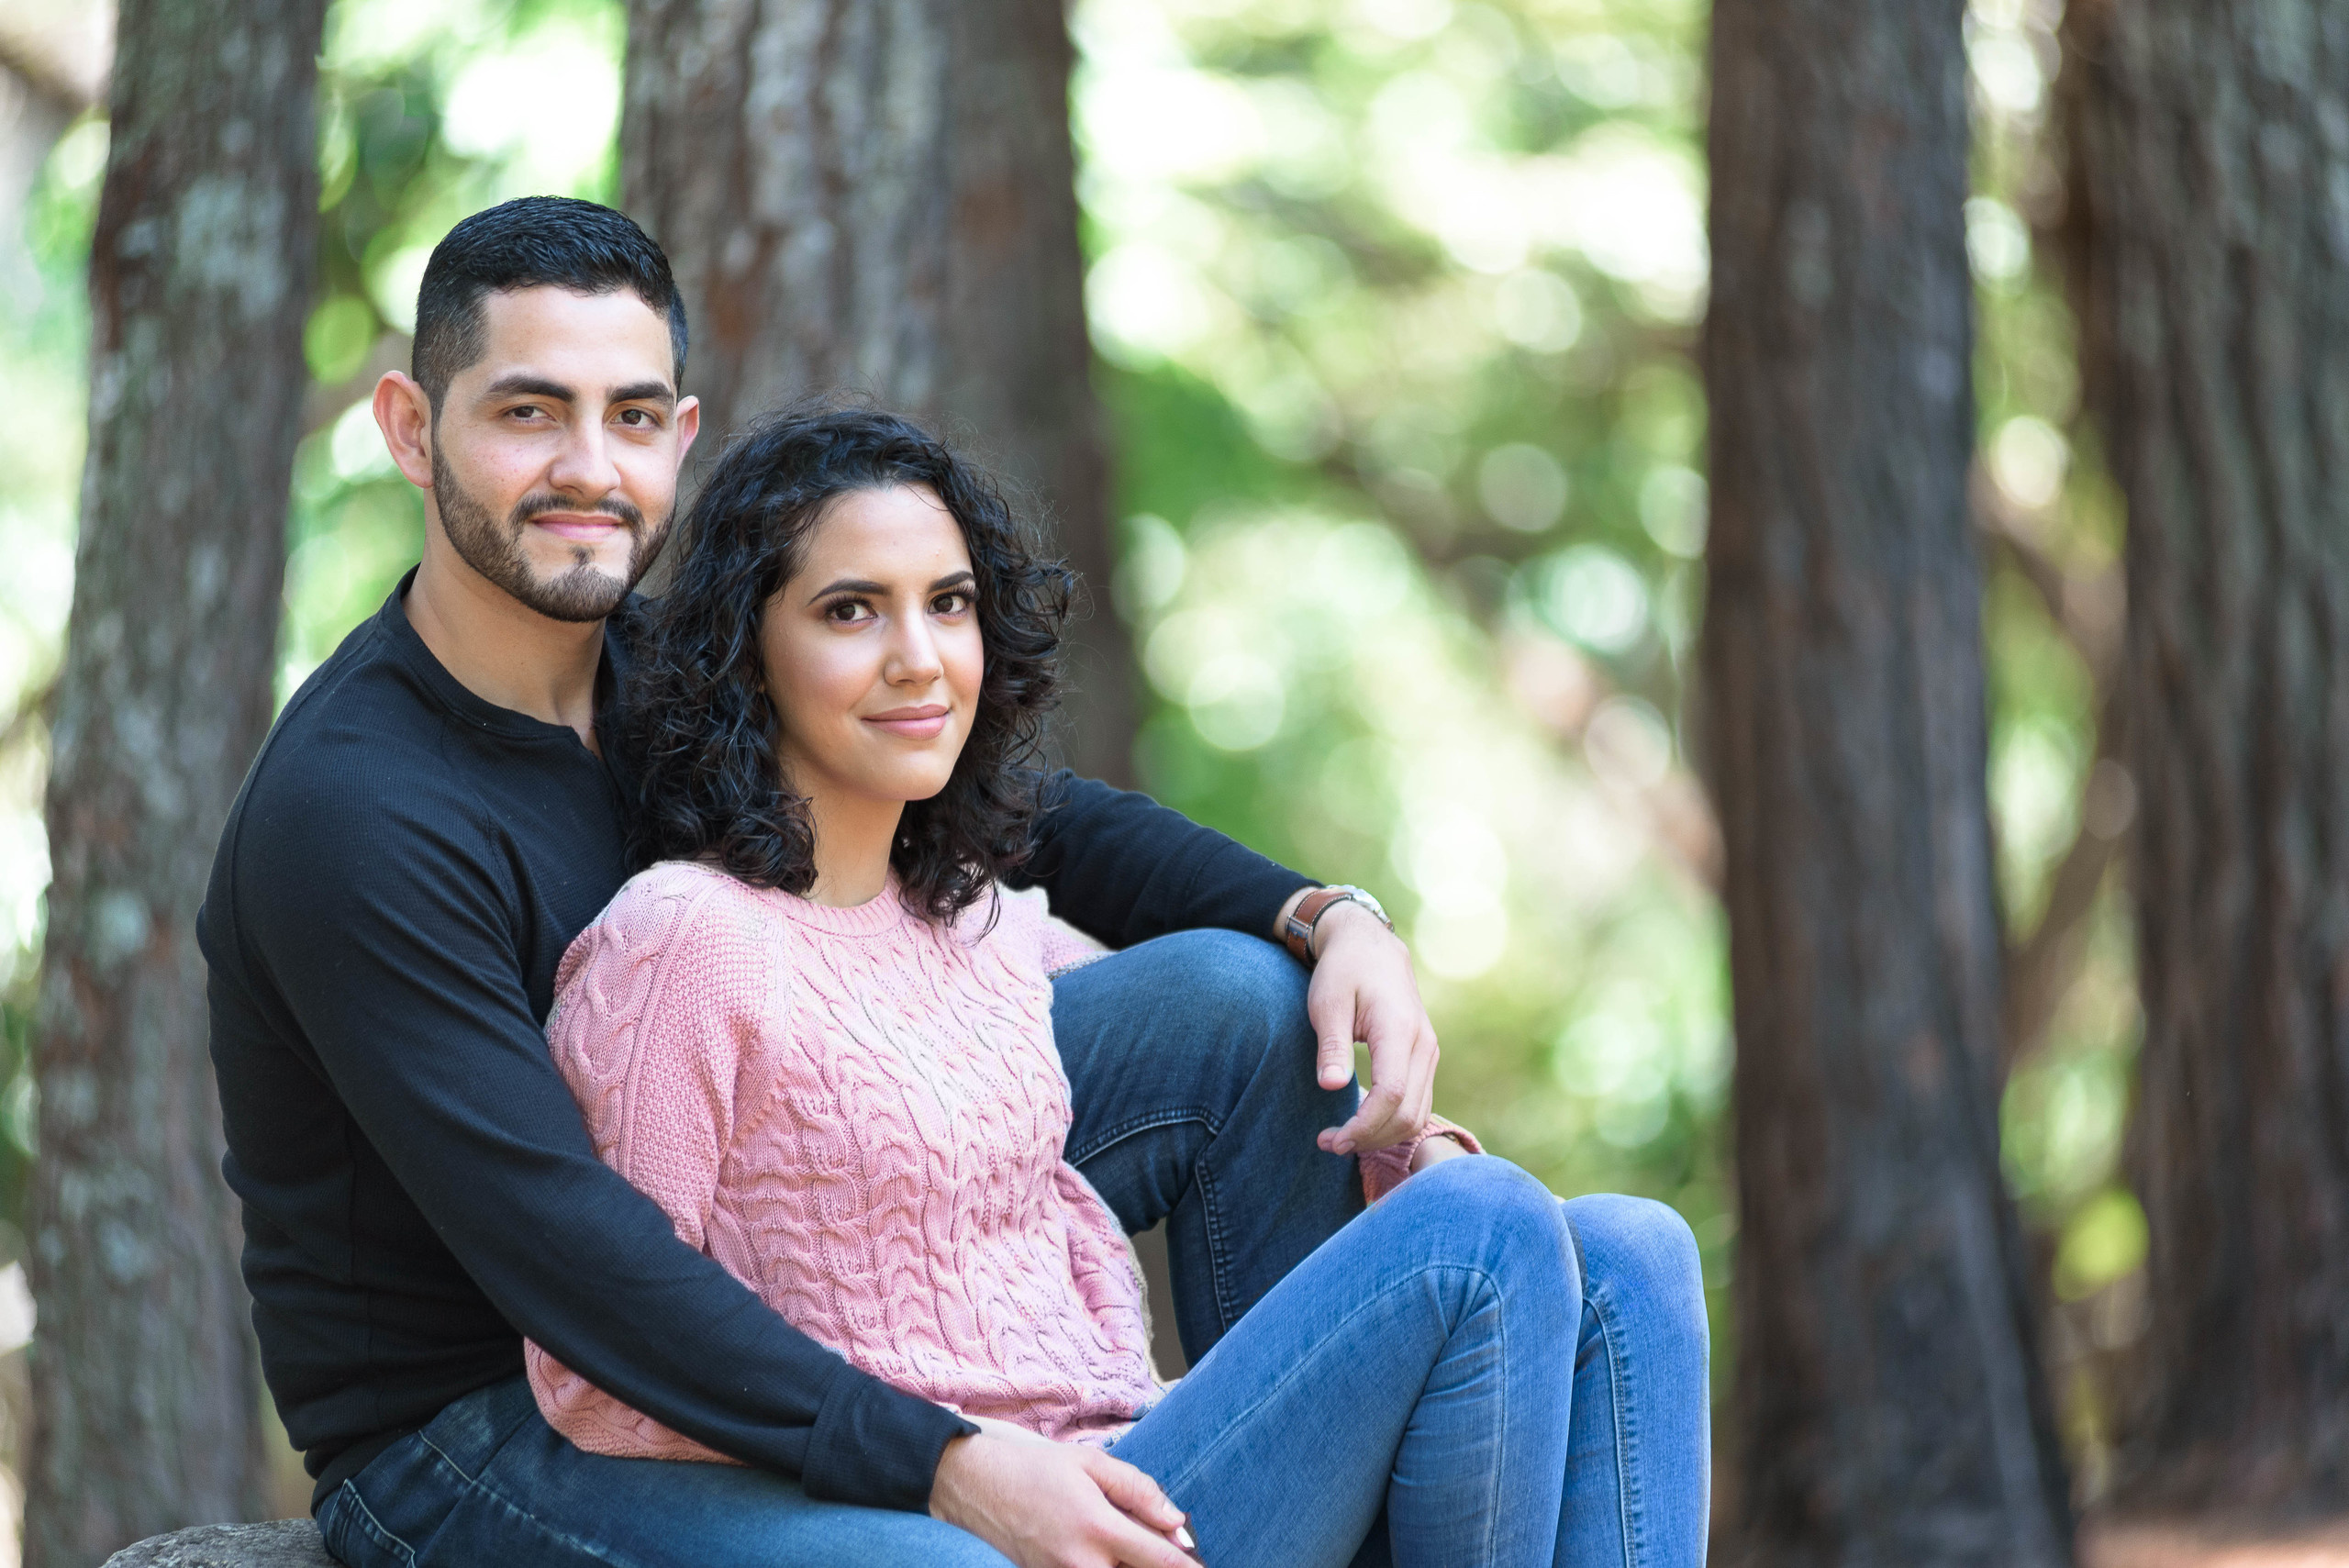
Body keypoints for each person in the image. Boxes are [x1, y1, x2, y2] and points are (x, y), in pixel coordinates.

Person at [198, 195, 1707, 1566]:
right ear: (411, 429)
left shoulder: (654, 673)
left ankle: (1299, 1469)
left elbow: (1025, 815)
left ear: (680, 432)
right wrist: (948, 1462)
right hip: (484, 1425)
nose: (589, 467)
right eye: (530, 412)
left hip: (758, 1240)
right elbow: (570, 1257)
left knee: (1243, 1000)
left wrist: (1327, 914)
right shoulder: (360, 813)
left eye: (632, 415)